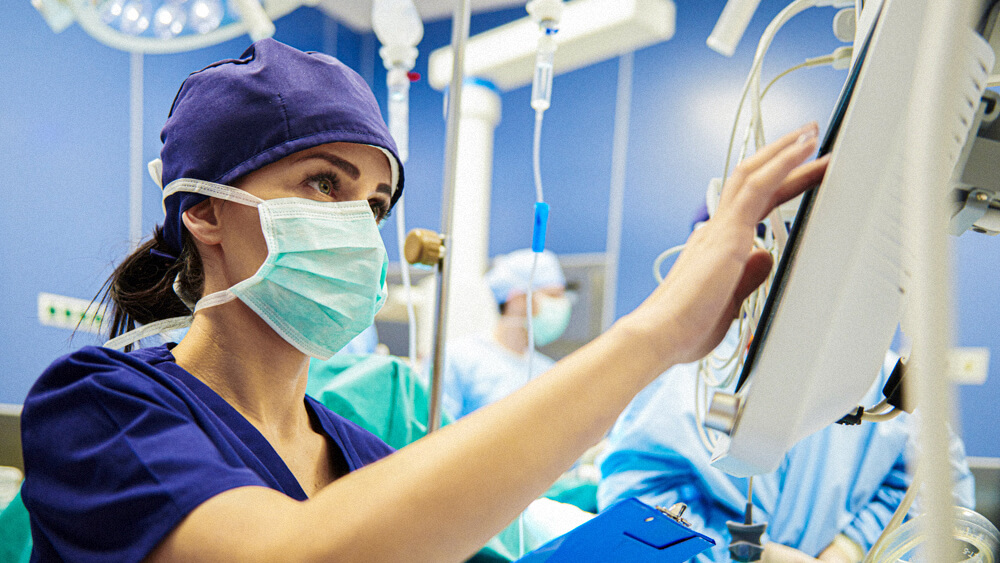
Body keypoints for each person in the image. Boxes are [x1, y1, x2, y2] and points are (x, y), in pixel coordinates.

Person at [20, 37, 829, 562]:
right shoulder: (99, 407)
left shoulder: (360, 454)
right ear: (203, 210)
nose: (358, 227)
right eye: (323, 183)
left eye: (373, 205)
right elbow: (294, 555)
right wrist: (653, 335)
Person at [597, 323, 976, 563]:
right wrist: (734, 556)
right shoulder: (696, 372)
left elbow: (928, 486)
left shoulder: (879, 385)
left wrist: (848, 549)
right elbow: (640, 494)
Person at [442, 249, 571, 419]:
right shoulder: (457, 359)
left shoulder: (548, 372)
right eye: (553, 295)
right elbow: (434, 435)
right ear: (518, 299)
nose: (562, 304)